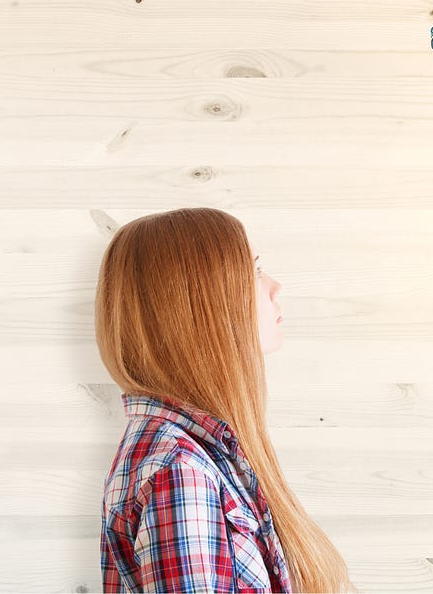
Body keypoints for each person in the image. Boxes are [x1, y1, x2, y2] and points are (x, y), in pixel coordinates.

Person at [95, 207, 353, 592]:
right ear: (204, 304)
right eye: (254, 270)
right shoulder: (179, 473)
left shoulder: (192, 455)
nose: (275, 286)